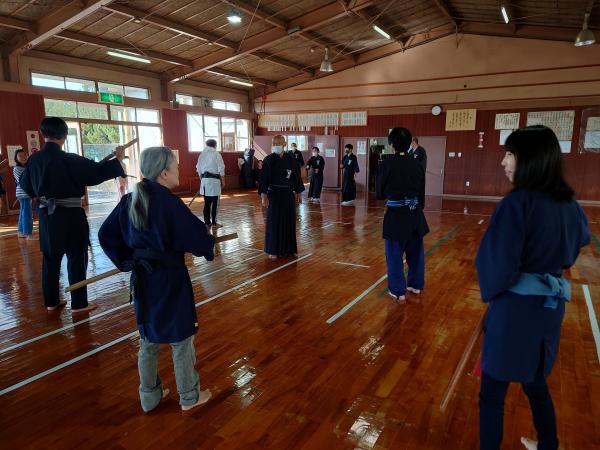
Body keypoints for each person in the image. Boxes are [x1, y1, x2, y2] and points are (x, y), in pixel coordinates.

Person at [476, 125, 589, 450]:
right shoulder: (569, 204)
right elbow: (580, 238)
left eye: (510, 154)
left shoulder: (517, 204)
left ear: (531, 159)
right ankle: (549, 444)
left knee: (493, 391)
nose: (504, 162)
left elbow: (497, 264)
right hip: (549, 309)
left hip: (515, 312)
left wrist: (493, 290)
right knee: (536, 381)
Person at [99, 146, 214, 413]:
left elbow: (106, 235)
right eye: (175, 166)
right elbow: (196, 237)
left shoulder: (130, 199)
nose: (178, 170)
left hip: (143, 280)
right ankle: (189, 396)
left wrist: (128, 261)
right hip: (169, 279)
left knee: (148, 339)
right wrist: (208, 246)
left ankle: (149, 397)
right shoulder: (168, 203)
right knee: (181, 339)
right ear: (164, 172)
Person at [20, 117, 125, 313]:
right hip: (71, 217)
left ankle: (51, 302)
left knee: (50, 260)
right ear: (64, 136)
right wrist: (117, 159)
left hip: (47, 217)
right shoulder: (70, 159)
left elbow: (26, 187)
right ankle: (79, 303)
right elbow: (95, 173)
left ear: (43, 135)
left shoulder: (34, 160)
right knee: (76, 257)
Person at [376, 127, 429, 303]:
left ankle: (398, 291)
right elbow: (421, 195)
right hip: (415, 215)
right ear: (408, 144)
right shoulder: (417, 164)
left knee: (394, 255)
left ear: (391, 145)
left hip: (395, 217)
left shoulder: (386, 164)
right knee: (416, 253)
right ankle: (415, 285)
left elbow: (379, 194)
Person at [260, 135, 304, 259]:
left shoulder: (291, 160)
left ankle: (289, 249)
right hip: (274, 194)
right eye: (274, 143)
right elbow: (263, 179)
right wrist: (264, 196)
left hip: (288, 194)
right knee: (274, 222)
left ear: (284, 145)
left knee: (289, 221)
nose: (276, 145)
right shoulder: (269, 160)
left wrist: (298, 193)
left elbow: (297, 178)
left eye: (279, 143)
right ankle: (273, 250)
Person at [196, 139, 225, 229]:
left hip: (205, 181)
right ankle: (214, 223)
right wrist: (223, 181)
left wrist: (202, 180)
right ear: (215, 145)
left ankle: (207, 222)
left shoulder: (202, 155)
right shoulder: (216, 154)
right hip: (214, 182)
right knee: (215, 203)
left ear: (206, 145)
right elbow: (221, 168)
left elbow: (198, 169)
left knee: (207, 203)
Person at [13, 149, 36, 240]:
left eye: (24, 155)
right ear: (16, 158)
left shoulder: (26, 167)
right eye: (20, 156)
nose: (23, 157)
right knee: (27, 213)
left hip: (25, 193)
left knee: (23, 212)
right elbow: (24, 182)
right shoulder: (17, 168)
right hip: (24, 193)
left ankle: (21, 232)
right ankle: (28, 234)